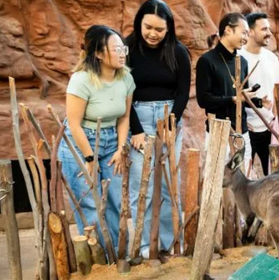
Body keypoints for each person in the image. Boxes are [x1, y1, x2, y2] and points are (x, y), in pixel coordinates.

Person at [58, 25, 134, 251]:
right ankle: (99, 257)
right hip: (81, 142)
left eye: (123, 48)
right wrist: (89, 158)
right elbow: (74, 123)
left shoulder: (126, 78)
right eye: (116, 49)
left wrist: (121, 148)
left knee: (114, 200)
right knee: (90, 203)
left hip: (112, 140)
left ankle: (117, 254)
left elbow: (124, 117)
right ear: (99, 54)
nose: (122, 53)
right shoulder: (81, 80)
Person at [125, 0, 191, 257]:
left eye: (159, 29)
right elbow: (123, 92)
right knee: (141, 183)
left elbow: (183, 92)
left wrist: (171, 123)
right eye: (148, 27)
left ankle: (170, 240)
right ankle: (143, 244)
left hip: (169, 116)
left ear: (169, 28)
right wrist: (136, 130)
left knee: (168, 183)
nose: (153, 34)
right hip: (138, 117)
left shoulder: (179, 52)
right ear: (139, 23)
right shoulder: (127, 49)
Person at [196, 13, 256, 156]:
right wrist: (232, 99)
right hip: (218, 130)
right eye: (244, 33)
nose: (246, 38)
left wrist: (259, 102)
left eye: (247, 34)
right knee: (218, 171)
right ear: (228, 30)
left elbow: (242, 98)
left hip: (242, 131)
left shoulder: (242, 62)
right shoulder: (207, 61)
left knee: (245, 170)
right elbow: (203, 100)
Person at [238, 12, 279, 176]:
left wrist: (277, 123)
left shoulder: (271, 58)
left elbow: (278, 92)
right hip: (246, 128)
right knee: (243, 175)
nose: (269, 33)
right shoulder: (238, 58)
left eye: (269, 29)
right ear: (250, 32)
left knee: (273, 175)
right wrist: (241, 122)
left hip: (269, 128)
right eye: (264, 29)